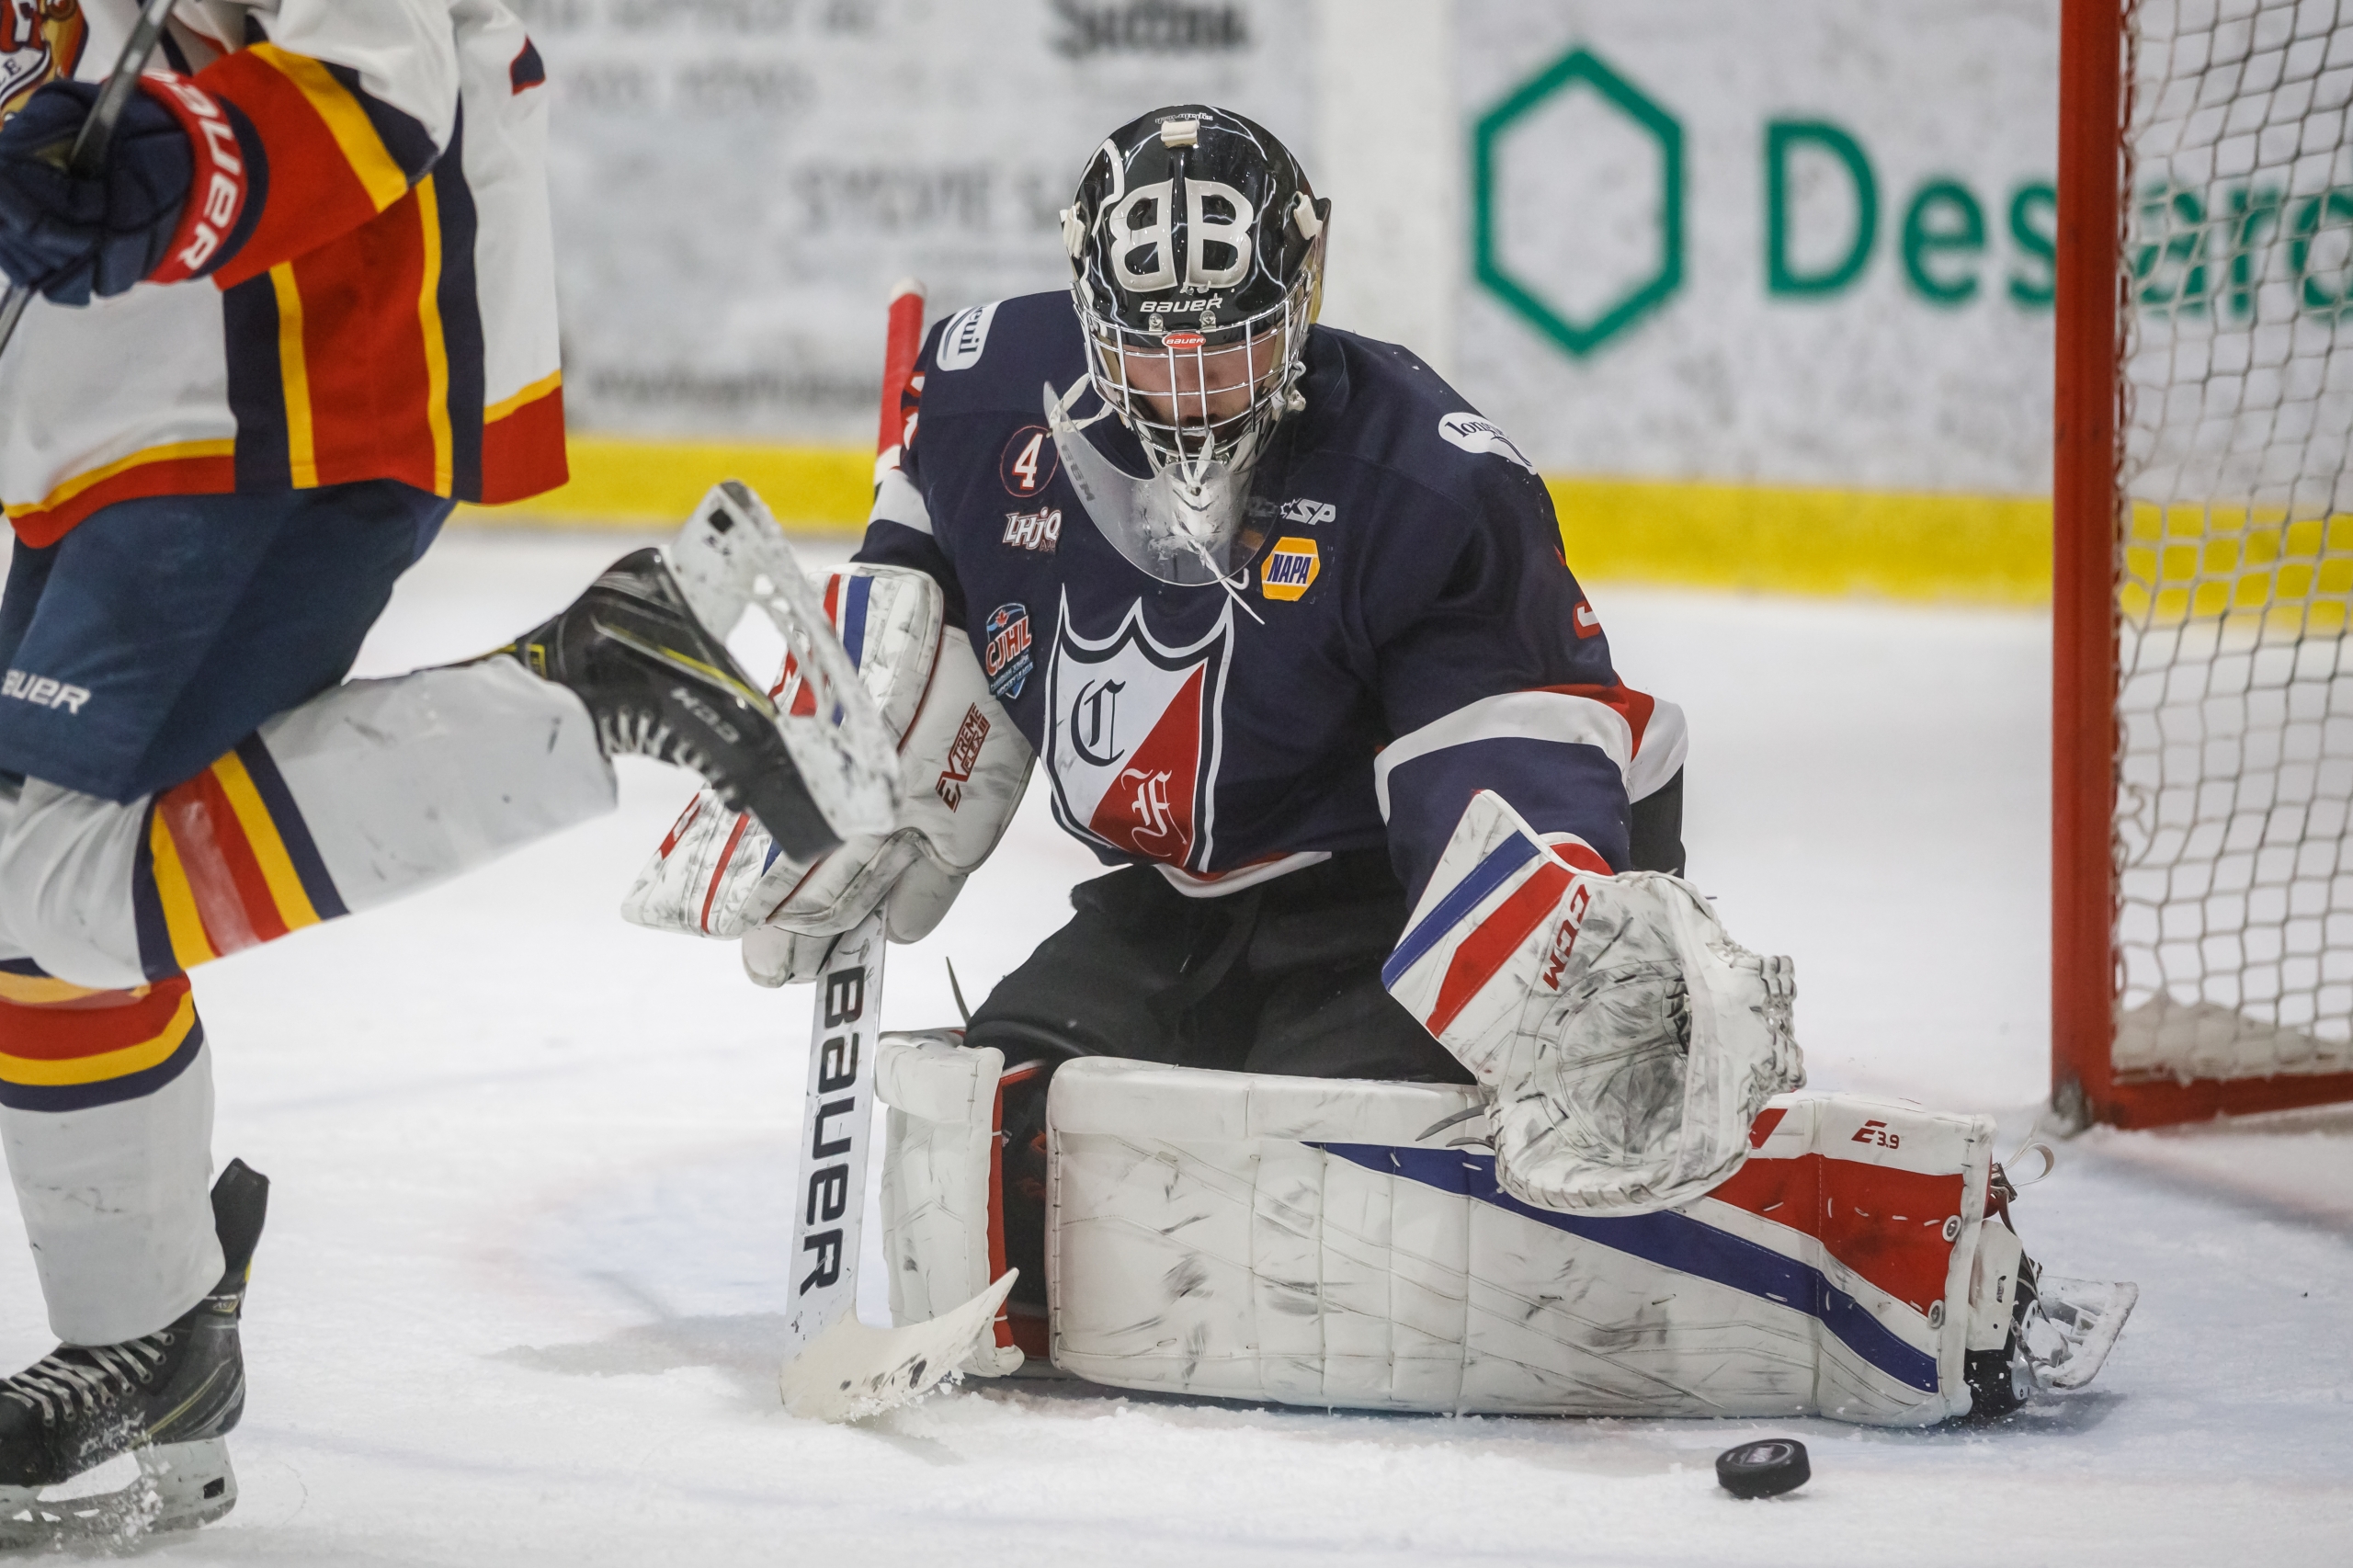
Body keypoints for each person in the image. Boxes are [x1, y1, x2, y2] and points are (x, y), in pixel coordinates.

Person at [635, 102, 2134, 1426]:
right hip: (1175, 901)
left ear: (1306, 303)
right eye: (1151, 344)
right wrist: (834, 734)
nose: (1192, 386)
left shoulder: (1422, 476)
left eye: (1232, 343)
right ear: (1089, 322)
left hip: (1401, 898)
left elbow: (1492, 783)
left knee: (1349, 1141)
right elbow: (919, 568)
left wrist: (1549, 947)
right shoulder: (981, 399)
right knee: (1001, 1107)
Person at [0, 2, 838, 1534]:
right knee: (30, 919)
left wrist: (165, 176)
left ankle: (586, 688)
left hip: (282, 378)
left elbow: (383, 67)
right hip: (108, 410)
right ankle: (148, 1335)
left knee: (38, 879)